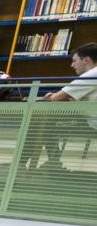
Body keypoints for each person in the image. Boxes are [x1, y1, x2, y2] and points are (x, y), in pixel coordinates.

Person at [31, 42, 97, 170]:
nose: (72, 65)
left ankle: (50, 164)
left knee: (42, 123)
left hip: (93, 125)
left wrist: (55, 96)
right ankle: (52, 164)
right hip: (90, 119)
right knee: (45, 122)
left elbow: (56, 98)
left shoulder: (91, 75)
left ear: (86, 60)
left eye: (74, 61)